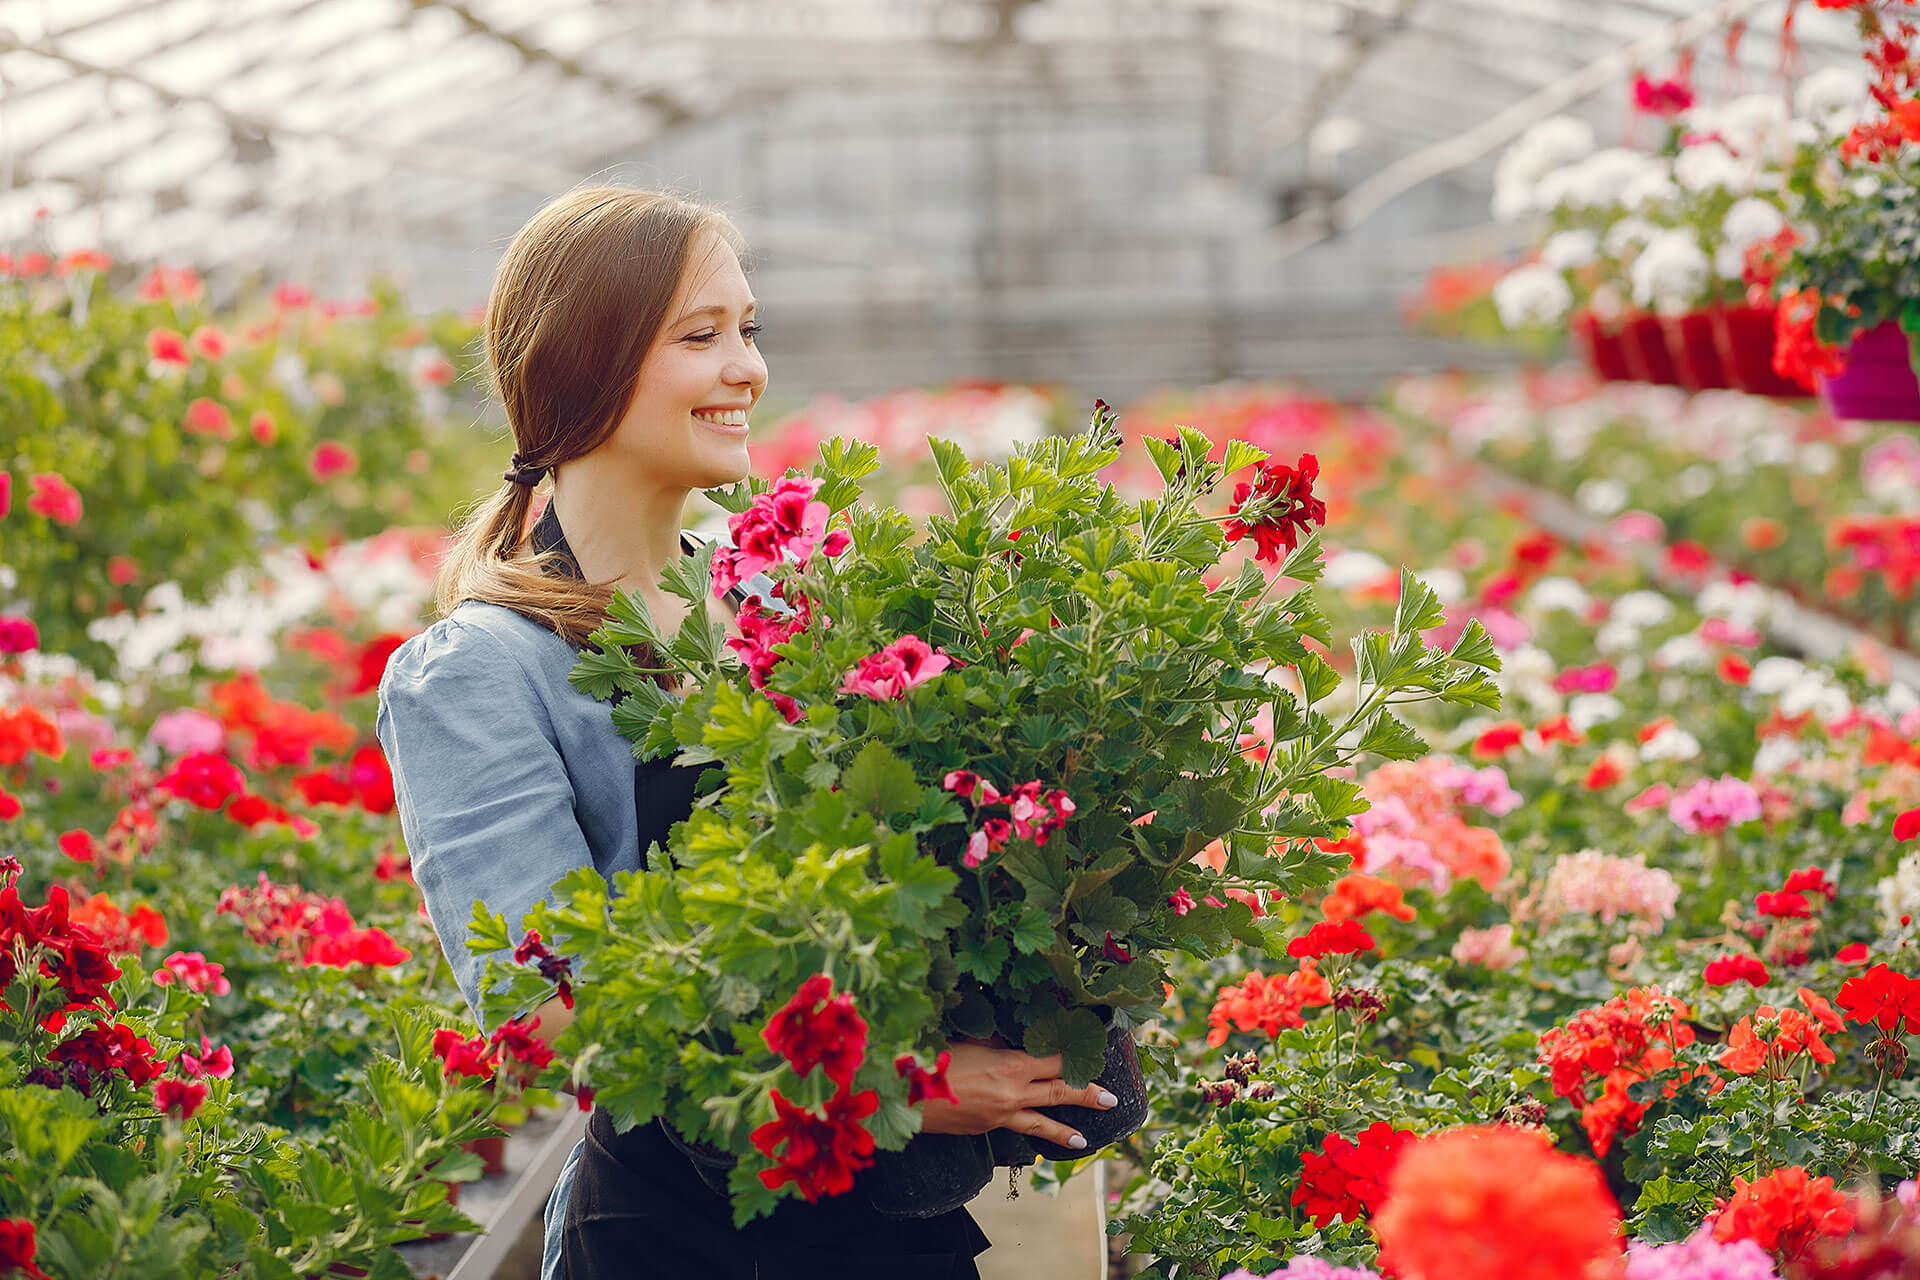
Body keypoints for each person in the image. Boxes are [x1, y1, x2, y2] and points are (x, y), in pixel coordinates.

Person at [374, 185, 1116, 1280]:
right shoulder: (480, 671)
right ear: (585, 362)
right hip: (679, 1235)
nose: (748, 369)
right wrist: (898, 1087)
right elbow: (551, 1020)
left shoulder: (784, 587)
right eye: (701, 335)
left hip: (891, 1226)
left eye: (749, 330)